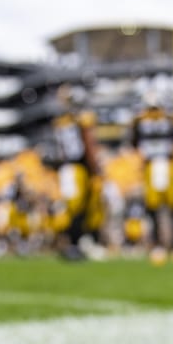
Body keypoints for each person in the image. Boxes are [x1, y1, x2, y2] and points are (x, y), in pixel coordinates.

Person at [129, 90, 173, 265]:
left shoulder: (140, 121)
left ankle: (166, 245)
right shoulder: (169, 119)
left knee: (161, 207)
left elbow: (133, 142)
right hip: (162, 164)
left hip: (155, 164)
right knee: (167, 206)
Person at [47, 84, 103, 261]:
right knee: (77, 209)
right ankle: (72, 244)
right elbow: (88, 145)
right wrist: (95, 169)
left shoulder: (61, 122)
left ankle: (74, 243)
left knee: (74, 207)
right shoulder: (79, 120)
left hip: (66, 168)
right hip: (76, 167)